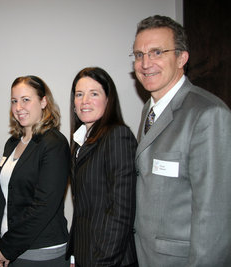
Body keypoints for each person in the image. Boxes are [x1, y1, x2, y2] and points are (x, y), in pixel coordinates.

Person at [131, 15, 231, 266]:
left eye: (156, 52)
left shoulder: (208, 114)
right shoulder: (149, 110)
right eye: (139, 55)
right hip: (146, 255)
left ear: (181, 58)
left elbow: (214, 216)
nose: (145, 63)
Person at [0, 75, 70, 267]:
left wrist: (6, 249)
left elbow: (43, 206)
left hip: (41, 253)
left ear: (43, 101)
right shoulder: (12, 143)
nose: (18, 107)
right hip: (8, 247)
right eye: (14, 101)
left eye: (25, 100)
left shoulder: (54, 143)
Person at [66, 67, 138, 267]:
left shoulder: (118, 136)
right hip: (85, 255)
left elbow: (122, 211)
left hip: (110, 259)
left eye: (94, 94)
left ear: (108, 100)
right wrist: (74, 255)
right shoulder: (80, 142)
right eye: (79, 94)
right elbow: (83, 209)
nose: (84, 101)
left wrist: (103, 262)